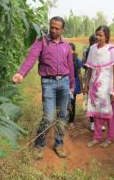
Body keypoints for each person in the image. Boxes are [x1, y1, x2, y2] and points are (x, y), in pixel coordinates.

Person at [12, 16, 75, 159]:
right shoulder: (41, 41)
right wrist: (21, 73)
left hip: (64, 83)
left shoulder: (66, 45)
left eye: (56, 28)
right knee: (49, 117)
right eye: (51, 27)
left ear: (62, 30)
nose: (53, 30)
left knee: (62, 116)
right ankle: (39, 145)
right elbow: (31, 58)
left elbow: (70, 66)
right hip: (49, 83)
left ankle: (59, 144)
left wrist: (72, 84)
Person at [83, 25, 114, 148]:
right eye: (97, 34)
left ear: (106, 36)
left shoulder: (111, 50)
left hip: (108, 86)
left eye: (101, 35)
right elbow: (90, 68)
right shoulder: (93, 49)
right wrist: (86, 84)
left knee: (111, 113)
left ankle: (110, 138)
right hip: (95, 85)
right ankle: (97, 137)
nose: (98, 37)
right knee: (97, 112)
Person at [82, 34, 105, 131]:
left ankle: (96, 122)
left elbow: (83, 64)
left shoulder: (90, 50)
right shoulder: (88, 51)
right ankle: (93, 122)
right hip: (91, 77)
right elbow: (84, 64)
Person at [68, 43, 83, 130]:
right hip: (65, 83)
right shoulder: (63, 59)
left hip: (74, 84)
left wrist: (81, 85)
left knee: (72, 102)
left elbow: (79, 74)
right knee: (64, 102)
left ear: (74, 50)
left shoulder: (78, 60)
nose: (69, 51)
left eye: (70, 49)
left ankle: (71, 121)